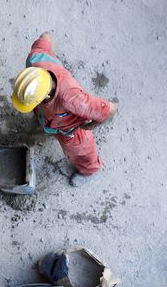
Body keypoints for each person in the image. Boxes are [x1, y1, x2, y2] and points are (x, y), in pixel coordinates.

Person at [11, 32, 117, 187]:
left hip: (70, 129)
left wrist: (89, 126)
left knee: (80, 151)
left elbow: (110, 110)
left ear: (46, 95)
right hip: (49, 117)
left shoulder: (72, 99)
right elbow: (45, 37)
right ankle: (44, 120)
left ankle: (89, 170)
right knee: (41, 114)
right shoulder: (35, 59)